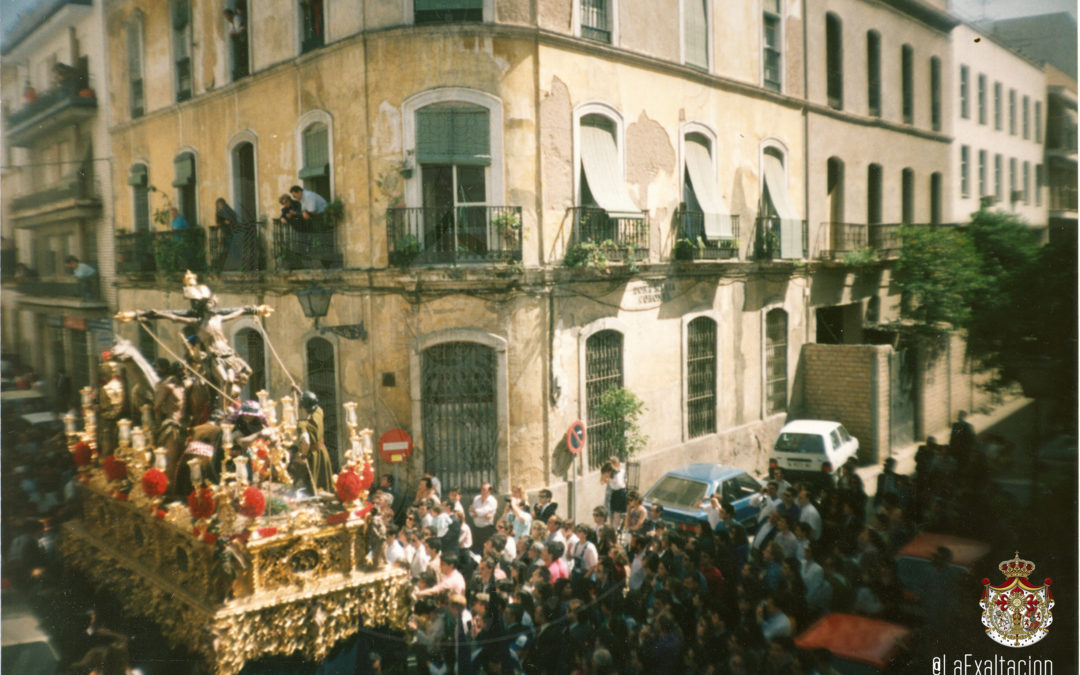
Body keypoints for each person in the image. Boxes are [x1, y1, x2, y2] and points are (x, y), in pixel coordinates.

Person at [295, 391, 334, 493]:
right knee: (325, 482)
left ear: (303, 407)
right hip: (322, 452)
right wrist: (299, 393)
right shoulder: (319, 412)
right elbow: (311, 403)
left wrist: (303, 455)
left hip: (313, 457)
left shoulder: (303, 424)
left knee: (313, 485)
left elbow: (306, 442)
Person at [469, 482, 498, 554]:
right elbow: (470, 511)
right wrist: (475, 513)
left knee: (485, 550)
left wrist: (476, 512)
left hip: (486, 529)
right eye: (482, 489)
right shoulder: (476, 498)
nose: (482, 491)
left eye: (485, 489)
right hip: (476, 528)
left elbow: (483, 511)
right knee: (475, 548)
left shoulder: (492, 501)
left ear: (489, 491)